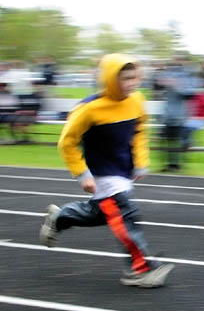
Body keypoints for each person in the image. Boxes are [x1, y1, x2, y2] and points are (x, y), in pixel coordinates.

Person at [38, 53, 174, 288]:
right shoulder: (89, 109)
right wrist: (82, 174)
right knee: (125, 215)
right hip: (102, 174)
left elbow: (139, 130)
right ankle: (139, 269)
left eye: (134, 77)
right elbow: (67, 142)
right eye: (125, 78)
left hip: (123, 171)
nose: (132, 83)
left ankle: (59, 218)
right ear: (110, 79)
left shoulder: (137, 100)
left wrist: (141, 161)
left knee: (101, 213)